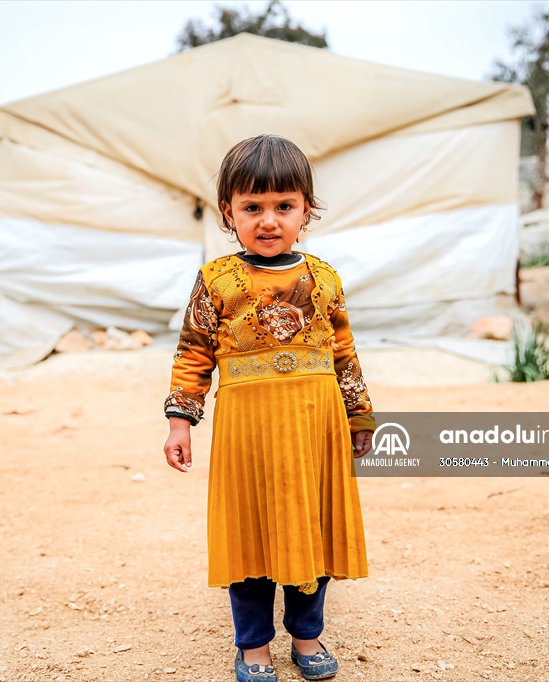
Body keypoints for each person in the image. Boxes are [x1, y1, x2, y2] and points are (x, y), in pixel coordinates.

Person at [162, 134, 375, 682]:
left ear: (307, 208)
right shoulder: (216, 280)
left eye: (284, 206)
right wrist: (179, 421)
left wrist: (359, 415)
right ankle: (253, 646)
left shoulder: (323, 278)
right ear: (228, 213)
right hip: (246, 433)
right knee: (249, 534)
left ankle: (308, 637)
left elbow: (344, 353)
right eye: (252, 207)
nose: (269, 220)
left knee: (313, 529)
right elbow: (193, 353)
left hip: (315, 426)